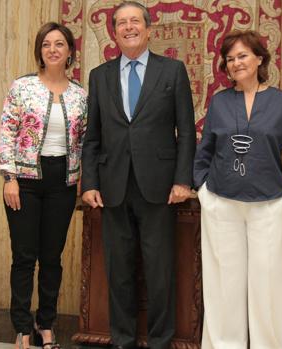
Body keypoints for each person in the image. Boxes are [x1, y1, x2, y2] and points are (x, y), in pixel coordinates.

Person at [80, 1, 196, 348]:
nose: (128, 27)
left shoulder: (173, 71)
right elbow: (93, 136)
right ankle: (122, 340)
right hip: (113, 186)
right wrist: (89, 183)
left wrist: (182, 180)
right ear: (114, 33)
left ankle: (160, 341)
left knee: (160, 271)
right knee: (119, 272)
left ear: (148, 29)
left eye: (135, 22)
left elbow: (186, 132)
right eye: (121, 23)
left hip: (160, 188)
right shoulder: (99, 76)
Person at [193, 29, 282, 349]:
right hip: (221, 202)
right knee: (224, 283)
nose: (236, 63)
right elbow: (204, 149)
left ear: (259, 58)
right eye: (230, 59)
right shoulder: (219, 102)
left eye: (243, 55)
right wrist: (203, 190)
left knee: (268, 284)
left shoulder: (280, 101)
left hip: (270, 203)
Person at [0, 22, 87, 349]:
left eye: (59, 44)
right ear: (40, 51)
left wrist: (81, 180)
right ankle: (22, 326)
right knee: (23, 255)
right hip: (24, 180)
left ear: (69, 52)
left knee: (52, 257)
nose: (52, 49)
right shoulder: (22, 87)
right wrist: (9, 178)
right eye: (46, 44)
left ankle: (44, 323)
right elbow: (7, 132)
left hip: (62, 181)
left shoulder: (80, 95)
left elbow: (85, 141)